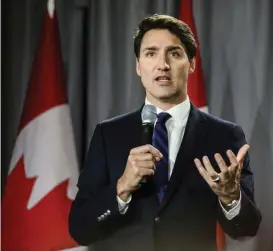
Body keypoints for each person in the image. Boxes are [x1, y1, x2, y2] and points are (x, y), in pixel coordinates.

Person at [68, 14, 261, 251]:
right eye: (151, 53)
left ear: (191, 64)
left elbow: (247, 229)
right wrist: (122, 188)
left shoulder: (224, 136)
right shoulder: (108, 134)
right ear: (138, 66)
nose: (163, 65)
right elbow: (80, 229)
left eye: (174, 53)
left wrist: (231, 198)